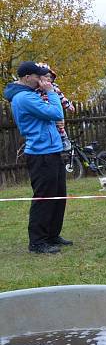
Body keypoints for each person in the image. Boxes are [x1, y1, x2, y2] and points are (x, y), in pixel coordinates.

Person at [4, 61, 71, 254]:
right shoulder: (24, 98)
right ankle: (37, 241)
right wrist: (51, 91)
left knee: (58, 195)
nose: (42, 79)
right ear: (27, 77)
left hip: (52, 150)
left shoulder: (31, 95)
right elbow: (57, 113)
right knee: (44, 197)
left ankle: (52, 235)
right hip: (41, 154)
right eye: (38, 76)